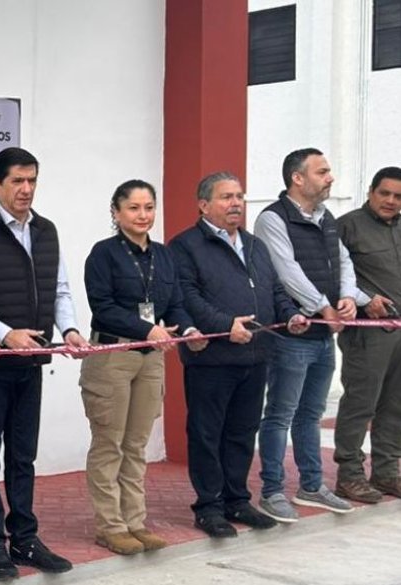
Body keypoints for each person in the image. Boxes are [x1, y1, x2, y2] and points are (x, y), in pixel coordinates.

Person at [0, 147, 87, 581]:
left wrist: (69, 329)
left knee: (23, 455)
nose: (26, 189)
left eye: (32, 181)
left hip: (31, 361)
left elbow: (59, 288)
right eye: (17, 181)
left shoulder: (46, 231)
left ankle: (25, 537)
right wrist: (6, 333)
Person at [169, 172, 310, 538]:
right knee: (207, 434)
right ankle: (209, 507)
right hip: (212, 359)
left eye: (239, 196)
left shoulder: (254, 245)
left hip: (255, 356)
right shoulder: (185, 246)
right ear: (203, 205)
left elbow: (274, 290)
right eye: (226, 197)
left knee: (242, 433)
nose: (236, 203)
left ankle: (236, 499)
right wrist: (224, 324)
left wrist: (290, 315)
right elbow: (187, 296)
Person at [80, 180, 204, 556]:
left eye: (149, 207)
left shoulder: (164, 255)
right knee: (110, 443)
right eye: (133, 208)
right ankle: (110, 526)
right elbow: (103, 307)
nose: (143, 215)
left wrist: (189, 330)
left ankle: (135, 521)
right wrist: (146, 329)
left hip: (151, 358)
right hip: (113, 354)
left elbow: (176, 304)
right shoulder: (103, 254)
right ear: (116, 212)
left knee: (136, 444)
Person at [254, 149, 370, 517]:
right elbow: (286, 271)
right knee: (280, 415)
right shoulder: (272, 219)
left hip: (322, 337)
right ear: (297, 178)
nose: (330, 178)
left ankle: (311, 486)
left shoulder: (326, 217)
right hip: (292, 336)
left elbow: (343, 261)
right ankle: (272, 491)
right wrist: (323, 307)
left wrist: (348, 298)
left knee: (310, 415)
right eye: (322, 171)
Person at [334, 166, 401, 500]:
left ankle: (387, 472)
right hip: (369, 333)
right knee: (361, 404)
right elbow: (333, 276)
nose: (391, 201)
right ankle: (349, 474)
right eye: (384, 193)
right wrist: (363, 301)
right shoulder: (347, 226)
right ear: (370, 192)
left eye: (398, 196)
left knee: (396, 404)